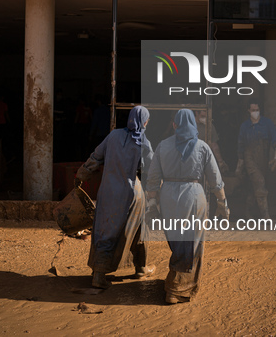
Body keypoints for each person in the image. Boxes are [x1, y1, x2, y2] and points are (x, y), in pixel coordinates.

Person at [146, 109, 228, 304]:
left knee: (176, 240)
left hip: (168, 197)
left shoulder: (162, 146)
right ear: (194, 124)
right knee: (192, 242)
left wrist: (152, 205)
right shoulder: (202, 147)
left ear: (174, 125)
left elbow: (153, 179)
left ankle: (175, 280)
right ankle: (177, 289)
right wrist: (222, 202)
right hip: (194, 195)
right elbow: (216, 180)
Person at [75, 106, 155, 289]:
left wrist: (81, 175)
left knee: (106, 229)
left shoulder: (113, 136)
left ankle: (99, 274)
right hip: (131, 193)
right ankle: (141, 267)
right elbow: (152, 168)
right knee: (139, 229)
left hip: (108, 191)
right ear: (144, 121)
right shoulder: (143, 141)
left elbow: (95, 157)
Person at [235, 99, 276, 219]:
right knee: (259, 182)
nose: (255, 112)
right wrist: (240, 166)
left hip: (263, 158)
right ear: (248, 111)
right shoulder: (245, 126)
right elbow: (241, 146)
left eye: (257, 110)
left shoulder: (267, 123)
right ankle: (265, 216)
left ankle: (248, 212)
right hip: (249, 158)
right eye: (253, 110)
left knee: (254, 186)